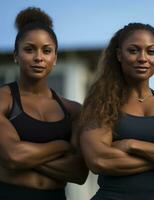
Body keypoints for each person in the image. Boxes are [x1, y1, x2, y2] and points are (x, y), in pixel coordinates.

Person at [79, 23, 154, 200]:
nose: (143, 58)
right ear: (119, 55)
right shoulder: (101, 104)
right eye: (134, 51)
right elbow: (100, 160)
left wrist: (132, 145)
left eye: (151, 52)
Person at [0, 7, 88, 200]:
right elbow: (14, 157)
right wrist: (62, 146)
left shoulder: (72, 110)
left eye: (46, 50)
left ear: (54, 58)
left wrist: (25, 154)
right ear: (16, 55)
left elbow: (79, 173)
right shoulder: (4, 99)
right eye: (29, 49)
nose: (38, 57)